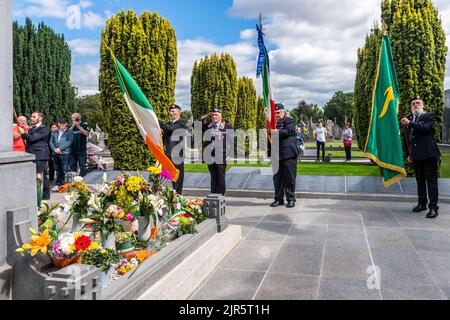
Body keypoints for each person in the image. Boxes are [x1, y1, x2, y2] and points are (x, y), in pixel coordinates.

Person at [401, 96, 441, 219]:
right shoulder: (408, 118)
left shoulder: (429, 116)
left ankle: (433, 208)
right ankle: (422, 203)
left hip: (429, 155)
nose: (415, 105)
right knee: (420, 181)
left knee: (431, 182)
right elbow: (408, 139)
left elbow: (427, 129)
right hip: (417, 156)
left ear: (423, 105)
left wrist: (410, 123)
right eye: (413, 103)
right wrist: (409, 153)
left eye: (418, 103)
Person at [199, 107, 234, 195]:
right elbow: (195, 125)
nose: (214, 116)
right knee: (213, 175)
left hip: (222, 154)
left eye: (216, 115)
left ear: (220, 116)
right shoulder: (207, 126)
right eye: (213, 115)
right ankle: (213, 194)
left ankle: (221, 195)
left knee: (220, 175)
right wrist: (206, 116)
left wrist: (230, 154)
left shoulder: (227, 127)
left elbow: (233, 141)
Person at [271, 103, 299, 208]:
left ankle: (291, 199)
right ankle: (278, 199)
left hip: (288, 155)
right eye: (275, 113)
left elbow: (289, 131)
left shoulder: (289, 121)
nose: (277, 115)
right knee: (277, 179)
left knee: (289, 179)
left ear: (283, 112)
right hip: (276, 155)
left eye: (278, 112)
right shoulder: (273, 123)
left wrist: (276, 131)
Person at [18, 112, 50, 200]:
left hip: (40, 155)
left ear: (40, 118)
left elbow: (32, 139)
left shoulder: (43, 128)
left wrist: (23, 133)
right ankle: (43, 196)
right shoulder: (33, 128)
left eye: (34, 117)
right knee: (39, 175)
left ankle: (43, 196)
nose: (31, 118)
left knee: (39, 175)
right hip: (32, 154)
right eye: (31, 116)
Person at [159, 104, 187, 195]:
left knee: (178, 177)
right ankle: (168, 195)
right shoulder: (168, 124)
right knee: (166, 176)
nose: (171, 113)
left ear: (179, 112)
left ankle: (177, 196)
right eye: (170, 111)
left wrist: (157, 121)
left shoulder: (181, 123)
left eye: (174, 111)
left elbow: (170, 129)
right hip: (167, 154)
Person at [49, 118, 74, 188]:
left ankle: (64, 184)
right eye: (60, 123)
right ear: (58, 124)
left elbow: (69, 142)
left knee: (64, 169)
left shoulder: (70, 132)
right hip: (55, 153)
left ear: (66, 124)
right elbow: (50, 142)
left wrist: (59, 148)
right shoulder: (55, 132)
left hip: (65, 153)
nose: (62, 124)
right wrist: (54, 149)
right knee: (57, 169)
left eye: (64, 123)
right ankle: (58, 183)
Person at [69, 112, 90, 177]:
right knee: (72, 166)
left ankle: (83, 181)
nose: (72, 119)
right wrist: (73, 126)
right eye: (72, 118)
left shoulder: (84, 125)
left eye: (73, 118)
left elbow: (87, 134)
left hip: (81, 149)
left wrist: (78, 126)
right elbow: (66, 134)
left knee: (82, 166)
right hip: (72, 150)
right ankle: (73, 182)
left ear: (78, 118)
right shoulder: (71, 127)